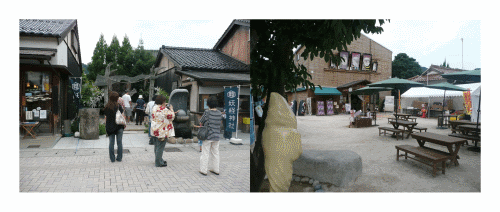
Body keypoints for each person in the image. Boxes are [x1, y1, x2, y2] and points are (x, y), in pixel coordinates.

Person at [198, 96, 222, 176]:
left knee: (205, 153)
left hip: (208, 136)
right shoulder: (219, 113)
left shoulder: (207, 112)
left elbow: (201, 122)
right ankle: (216, 170)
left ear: (208, 104)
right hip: (216, 136)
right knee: (215, 153)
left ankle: (203, 170)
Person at [150, 95, 176, 167]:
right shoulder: (164, 109)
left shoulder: (154, 107)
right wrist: (171, 109)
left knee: (156, 146)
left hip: (155, 129)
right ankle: (158, 162)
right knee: (160, 147)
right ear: (163, 102)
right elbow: (172, 116)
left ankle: (158, 159)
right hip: (162, 131)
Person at [104, 91, 125, 163]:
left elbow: (106, 118)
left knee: (111, 143)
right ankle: (119, 158)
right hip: (119, 126)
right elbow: (122, 116)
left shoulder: (107, 106)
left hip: (110, 127)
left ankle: (112, 159)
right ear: (117, 98)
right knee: (119, 143)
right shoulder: (119, 106)